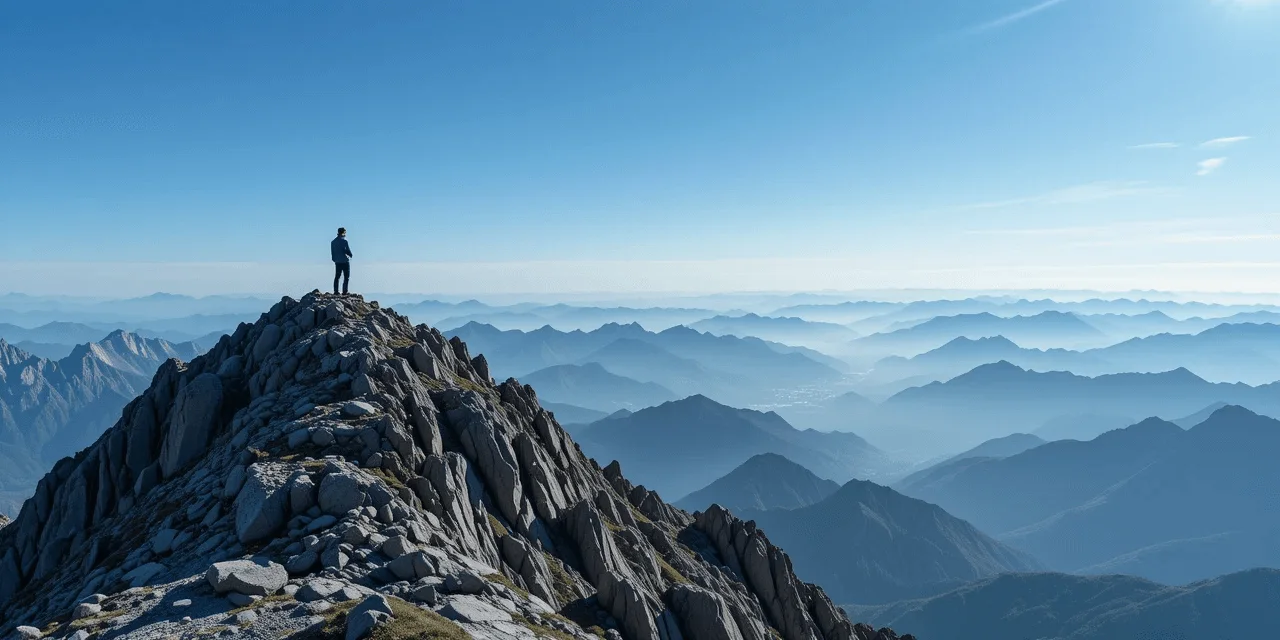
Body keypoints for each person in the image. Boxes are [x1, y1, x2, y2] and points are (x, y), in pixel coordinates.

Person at [331, 227, 352, 294]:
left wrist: (335, 259)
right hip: (345, 261)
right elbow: (347, 251)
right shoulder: (345, 241)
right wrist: (350, 255)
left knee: (337, 277)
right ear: (343, 233)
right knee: (346, 277)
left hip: (337, 261)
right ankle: (344, 291)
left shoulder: (333, 242)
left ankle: (336, 291)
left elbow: (332, 252)